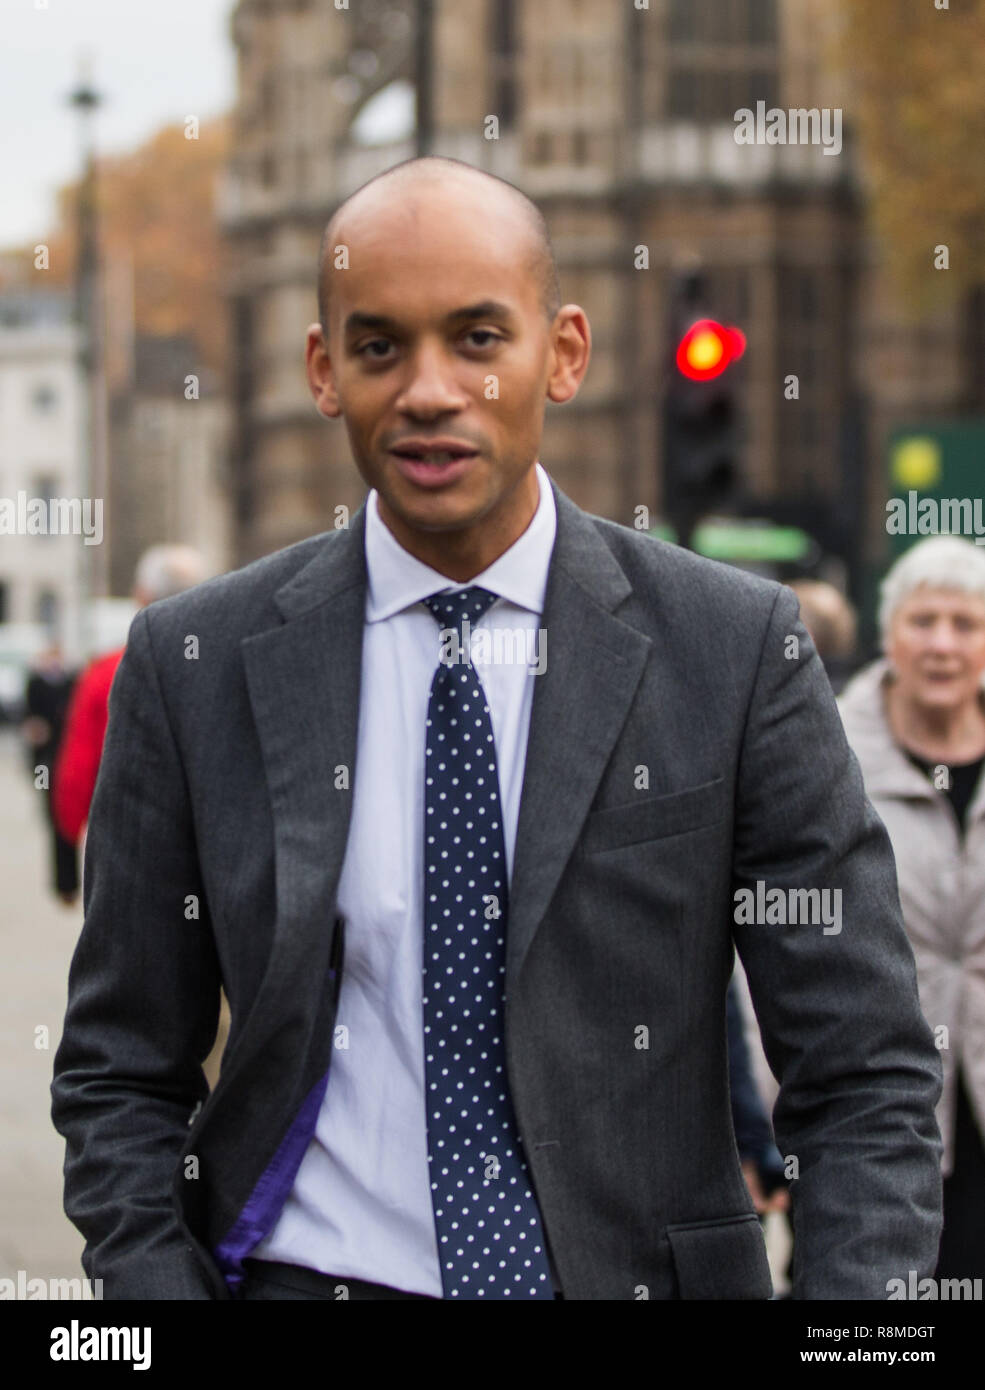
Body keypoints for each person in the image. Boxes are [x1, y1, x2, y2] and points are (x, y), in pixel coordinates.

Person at [51, 155, 942, 1302]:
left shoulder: (731, 647)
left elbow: (863, 1065)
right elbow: (121, 1063)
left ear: (563, 352)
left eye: (478, 338)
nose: (429, 389)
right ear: (323, 371)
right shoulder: (192, 663)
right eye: (379, 346)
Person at [839, 535, 985, 1280]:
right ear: (887, 634)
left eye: (965, 625)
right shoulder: (827, 751)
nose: (942, 644)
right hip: (873, 1111)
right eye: (922, 621)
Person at [52, 545, 208, 849]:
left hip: (124, 838)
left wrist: (74, 829)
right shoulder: (222, 667)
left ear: (140, 595)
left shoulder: (105, 673)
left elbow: (78, 770)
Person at [21, 644, 79, 903]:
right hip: (46, 752)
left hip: (66, 751)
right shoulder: (35, 682)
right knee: (52, 807)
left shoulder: (71, 680)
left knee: (64, 812)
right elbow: (29, 714)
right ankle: (63, 882)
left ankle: (69, 882)